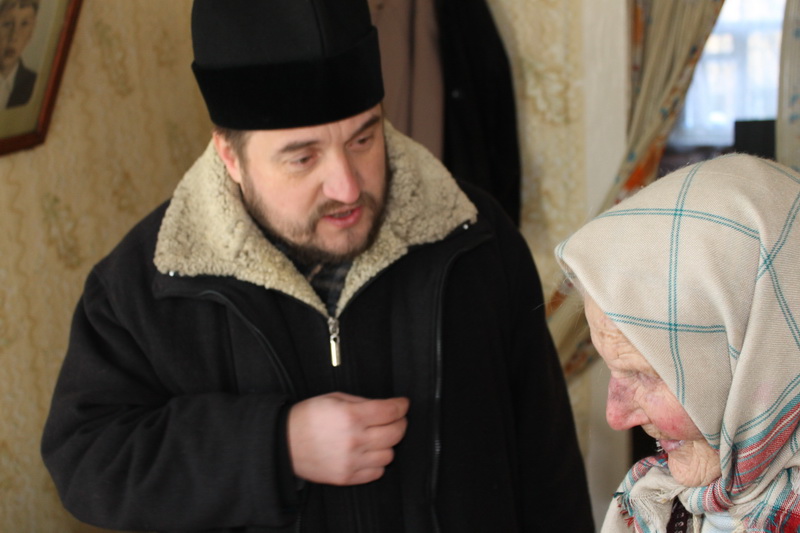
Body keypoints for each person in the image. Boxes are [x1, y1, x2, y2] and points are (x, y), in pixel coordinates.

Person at [41, 1, 593, 532]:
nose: (347, 187)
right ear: (230, 156)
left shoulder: (475, 238)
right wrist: (275, 447)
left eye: (364, 138)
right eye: (303, 157)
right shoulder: (150, 283)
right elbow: (86, 458)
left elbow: (549, 471)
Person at [556, 154, 800, 532]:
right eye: (613, 369)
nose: (616, 417)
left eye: (646, 374)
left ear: (763, 359)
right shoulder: (655, 503)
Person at [0, 0, 37, 109]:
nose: (14, 37)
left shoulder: (35, 85)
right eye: (7, 24)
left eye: (24, 24)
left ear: (31, 32)